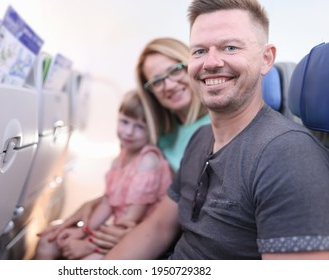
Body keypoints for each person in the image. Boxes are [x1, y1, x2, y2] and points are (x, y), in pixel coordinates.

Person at [103, 0, 329, 260]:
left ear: (266, 59)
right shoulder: (200, 139)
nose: (210, 62)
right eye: (199, 51)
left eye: (230, 47)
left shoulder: (288, 155)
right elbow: (157, 229)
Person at [34, 37, 211, 255]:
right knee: (49, 241)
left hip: (170, 231)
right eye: (157, 81)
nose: (169, 85)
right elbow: (141, 189)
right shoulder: (160, 133)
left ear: (190, 65)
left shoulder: (215, 125)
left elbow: (189, 208)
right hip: (139, 222)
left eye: (175, 70)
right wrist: (90, 206)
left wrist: (124, 235)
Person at [34, 90, 173, 259]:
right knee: (48, 242)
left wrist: (87, 244)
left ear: (152, 130)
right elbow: (107, 202)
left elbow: (129, 220)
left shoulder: (148, 161)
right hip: (114, 231)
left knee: (89, 261)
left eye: (139, 127)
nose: (128, 132)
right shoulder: (121, 157)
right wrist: (82, 231)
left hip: (134, 236)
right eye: (124, 122)